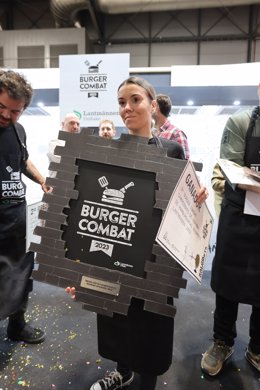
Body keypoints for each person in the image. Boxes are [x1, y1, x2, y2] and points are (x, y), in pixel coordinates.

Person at [67, 76, 208, 390]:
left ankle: (147, 382)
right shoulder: (108, 152)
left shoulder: (171, 150)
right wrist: (77, 268)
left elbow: (187, 195)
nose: (127, 108)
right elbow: (87, 209)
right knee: (117, 319)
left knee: (153, 326)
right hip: (115, 252)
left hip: (157, 259)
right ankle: (123, 372)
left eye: (135, 100)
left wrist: (199, 194)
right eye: (121, 102)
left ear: (152, 105)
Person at [201, 106, 260, 376]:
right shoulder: (241, 122)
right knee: (227, 283)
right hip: (239, 215)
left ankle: (257, 347)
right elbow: (233, 171)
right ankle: (222, 342)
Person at [0, 69, 51, 343]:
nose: (7, 116)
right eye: (2, 107)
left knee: (21, 278)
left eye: (15, 111)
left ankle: (17, 326)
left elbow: (23, 161)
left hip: (16, 220)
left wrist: (42, 180)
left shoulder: (18, 131)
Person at [153, 94, 190, 159]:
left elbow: (185, 164)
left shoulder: (177, 133)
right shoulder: (152, 133)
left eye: (152, 106)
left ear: (157, 108)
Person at [47, 112, 80, 177]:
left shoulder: (80, 144)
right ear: (63, 124)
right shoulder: (54, 143)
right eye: (72, 123)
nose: (75, 127)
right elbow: (65, 162)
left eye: (78, 124)